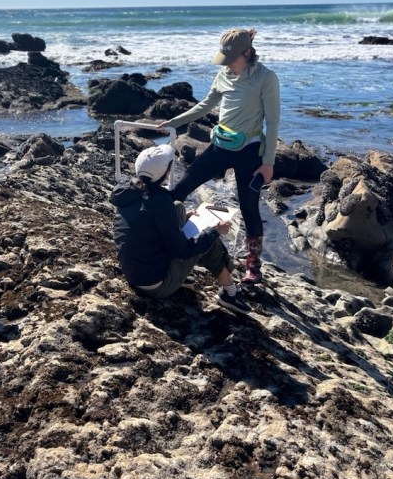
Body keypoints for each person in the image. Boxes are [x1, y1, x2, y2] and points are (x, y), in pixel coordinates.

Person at [157, 28, 280, 284]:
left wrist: (268, 162)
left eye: (231, 59)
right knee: (180, 189)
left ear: (247, 53)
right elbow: (206, 105)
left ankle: (253, 266)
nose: (227, 64)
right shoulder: (223, 74)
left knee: (249, 207)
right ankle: (166, 239)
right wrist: (174, 122)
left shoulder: (266, 78)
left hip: (249, 150)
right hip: (220, 145)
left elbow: (273, 121)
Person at [111, 144, 251, 314]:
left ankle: (187, 272)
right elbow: (183, 251)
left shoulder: (131, 191)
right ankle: (230, 293)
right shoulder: (160, 201)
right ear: (165, 172)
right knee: (210, 238)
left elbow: (147, 222)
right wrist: (215, 232)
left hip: (133, 272)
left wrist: (184, 219)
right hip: (156, 285)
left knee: (178, 207)